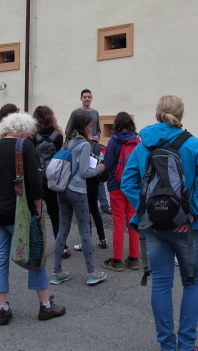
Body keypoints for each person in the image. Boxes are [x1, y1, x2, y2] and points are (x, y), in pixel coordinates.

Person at [121, 95, 198, 351]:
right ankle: (186, 345)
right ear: (181, 116)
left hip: (153, 228)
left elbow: (127, 182)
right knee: (192, 284)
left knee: (161, 284)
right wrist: (192, 213)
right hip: (187, 229)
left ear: (156, 115)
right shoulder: (192, 143)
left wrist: (148, 212)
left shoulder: (143, 146)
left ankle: (166, 346)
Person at [0, 112, 66, 325]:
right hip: (19, 211)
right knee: (35, 254)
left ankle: (2, 308)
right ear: (25, 129)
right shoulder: (24, 146)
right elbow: (35, 181)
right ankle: (45, 305)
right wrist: (37, 207)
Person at [50, 112, 108, 286]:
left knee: (62, 230)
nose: (91, 129)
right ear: (83, 127)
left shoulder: (67, 142)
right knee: (85, 231)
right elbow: (84, 172)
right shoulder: (84, 144)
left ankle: (57, 272)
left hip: (62, 189)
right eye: (89, 126)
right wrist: (100, 168)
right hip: (77, 190)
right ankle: (91, 273)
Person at [102, 111, 141, 272]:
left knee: (118, 221)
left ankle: (117, 260)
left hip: (116, 185)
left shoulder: (114, 141)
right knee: (132, 220)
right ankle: (134, 258)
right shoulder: (137, 140)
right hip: (133, 186)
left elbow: (108, 164)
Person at [32, 105, 70, 259]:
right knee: (55, 213)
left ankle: (36, 246)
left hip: (36, 177)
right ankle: (62, 247)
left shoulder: (32, 135)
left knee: (36, 212)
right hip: (52, 178)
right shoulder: (58, 136)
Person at [66, 89, 110, 214]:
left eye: (89, 97)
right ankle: (85, 203)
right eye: (84, 97)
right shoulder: (76, 112)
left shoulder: (95, 112)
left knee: (98, 173)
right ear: (81, 99)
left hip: (94, 147)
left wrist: (97, 136)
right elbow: (68, 130)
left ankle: (104, 204)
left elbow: (98, 130)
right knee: (84, 173)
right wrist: (83, 137)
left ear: (91, 98)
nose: (87, 99)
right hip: (81, 146)